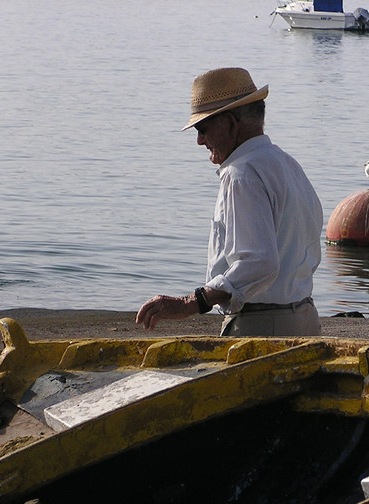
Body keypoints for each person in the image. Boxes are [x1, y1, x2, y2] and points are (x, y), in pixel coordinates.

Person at [136, 67, 323, 337]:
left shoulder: (241, 174)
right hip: (305, 319)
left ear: (232, 124)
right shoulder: (287, 164)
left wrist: (190, 303)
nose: (199, 140)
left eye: (203, 128)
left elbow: (259, 263)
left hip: (262, 326)